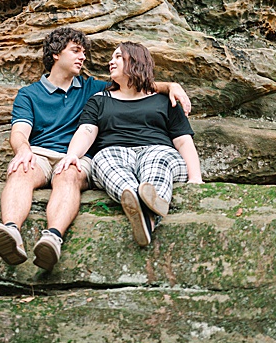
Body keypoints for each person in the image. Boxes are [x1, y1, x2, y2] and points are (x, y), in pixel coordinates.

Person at [0, 27, 194, 272]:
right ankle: (11, 231)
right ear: (56, 54)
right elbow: (20, 132)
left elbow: (133, 83)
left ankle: (53, 237)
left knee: (68, 174)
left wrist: (170, 85)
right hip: (40, 152)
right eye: (75, 51)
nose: (83, 57)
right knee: (21, 170)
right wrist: (23, 150)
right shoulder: (29, 94)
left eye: (83, 52)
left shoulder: (92, 88)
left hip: (77, 158)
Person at [56, 41, 204, 250]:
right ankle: (146, 212)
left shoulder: (164, 100)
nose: (111, 61)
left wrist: (195, 177)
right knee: (104, 159)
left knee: (157, 160)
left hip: (158, 151)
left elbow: (183, 140)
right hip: (115, 153)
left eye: (118, 56)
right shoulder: (99, 100)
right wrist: (72, 155)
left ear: (135, 61)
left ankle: (148, 202)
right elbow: (86, 131)